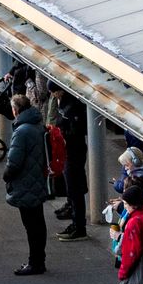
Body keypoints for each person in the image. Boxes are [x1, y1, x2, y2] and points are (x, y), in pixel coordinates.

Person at [2, 93, 49, 276]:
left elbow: (14, 162)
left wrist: (6, 176)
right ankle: (39, 260)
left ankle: (34, 262)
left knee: (31, 227)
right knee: (38, 223)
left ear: (15, 110)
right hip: (37, 180)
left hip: (25, 183)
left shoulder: (21, 131)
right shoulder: (37, 125)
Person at [50, 89, 89, 240]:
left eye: (54, 92)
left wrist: (62, 135)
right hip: (72, 151)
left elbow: (75, 130)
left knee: (75, 189)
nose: (53, 95)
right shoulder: (68, 105)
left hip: (73, 152)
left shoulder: (72, 108)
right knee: (73, 189)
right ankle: (76, 223)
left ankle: (79, 226)